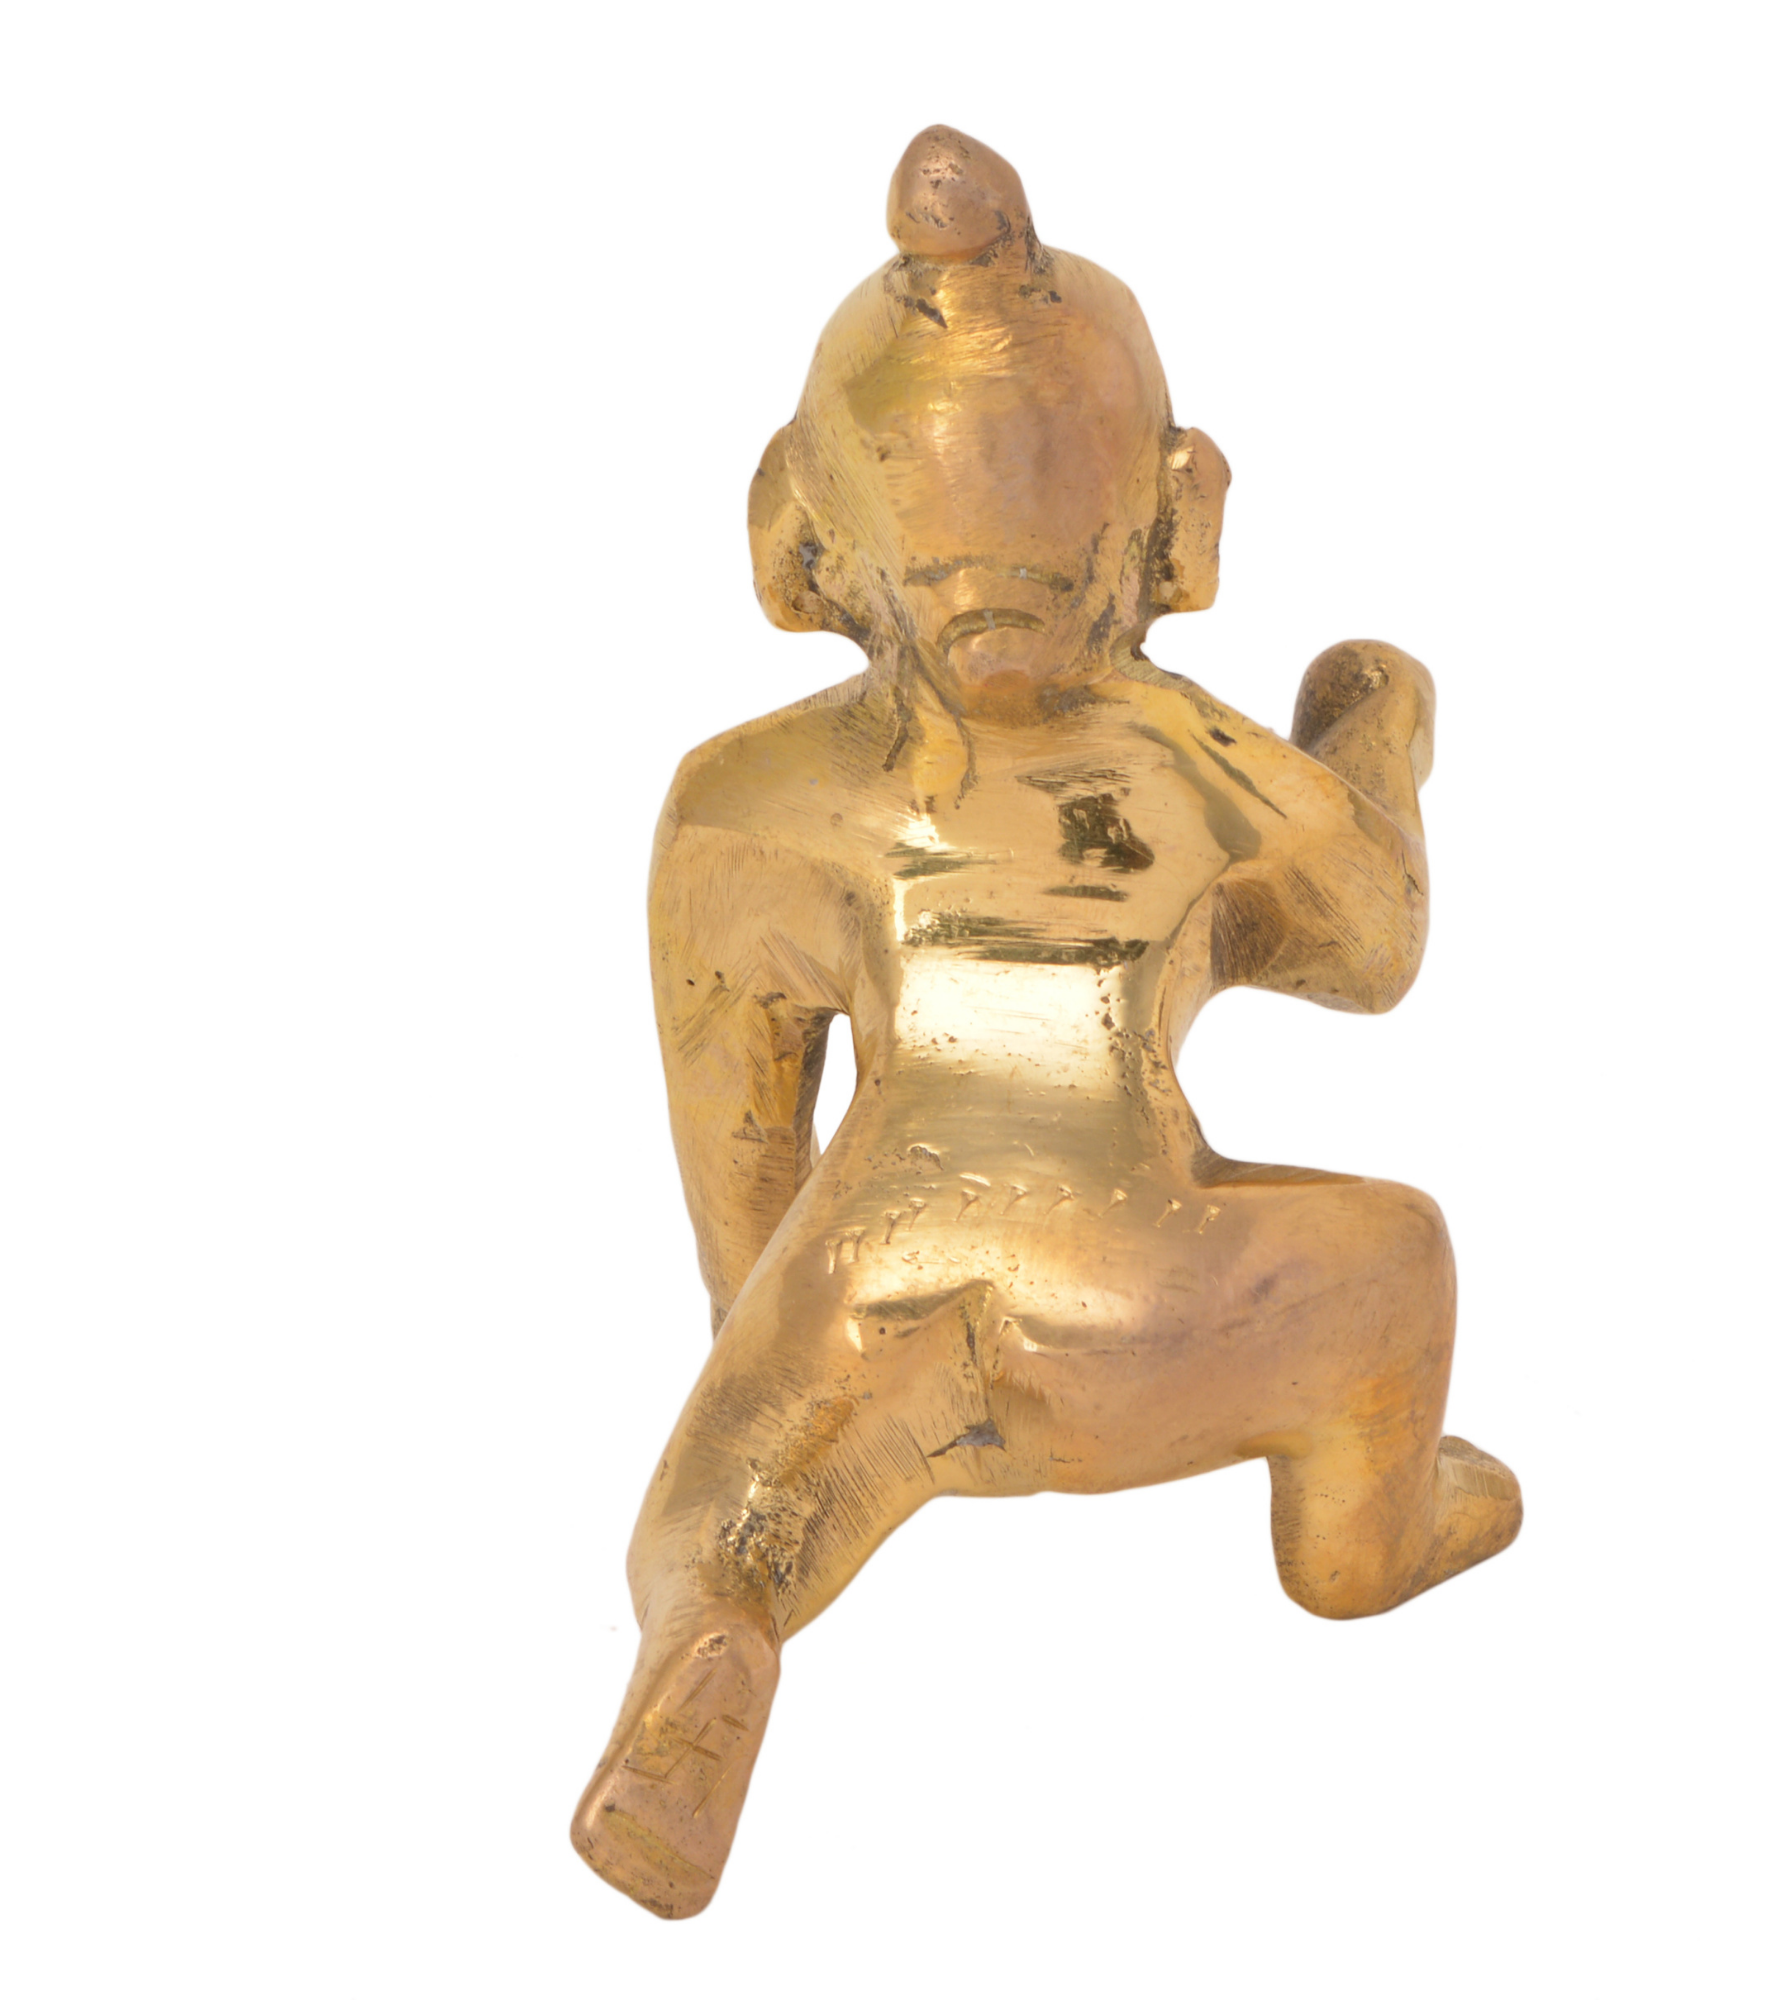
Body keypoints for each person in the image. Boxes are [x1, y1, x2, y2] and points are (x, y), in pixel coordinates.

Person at [572, 125, 1522, 1919]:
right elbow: (1374, 949)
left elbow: (738, 1135)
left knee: (719, 1516)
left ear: (796, 534)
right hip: (1149, 1319)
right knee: (1397, 1260)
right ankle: (1363, 1547)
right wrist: (1367, 729)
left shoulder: (741, 800)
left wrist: (762, 1333)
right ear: (1181, 518)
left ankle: (714, 1630)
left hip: (871, 1291)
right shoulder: (1189, 753)